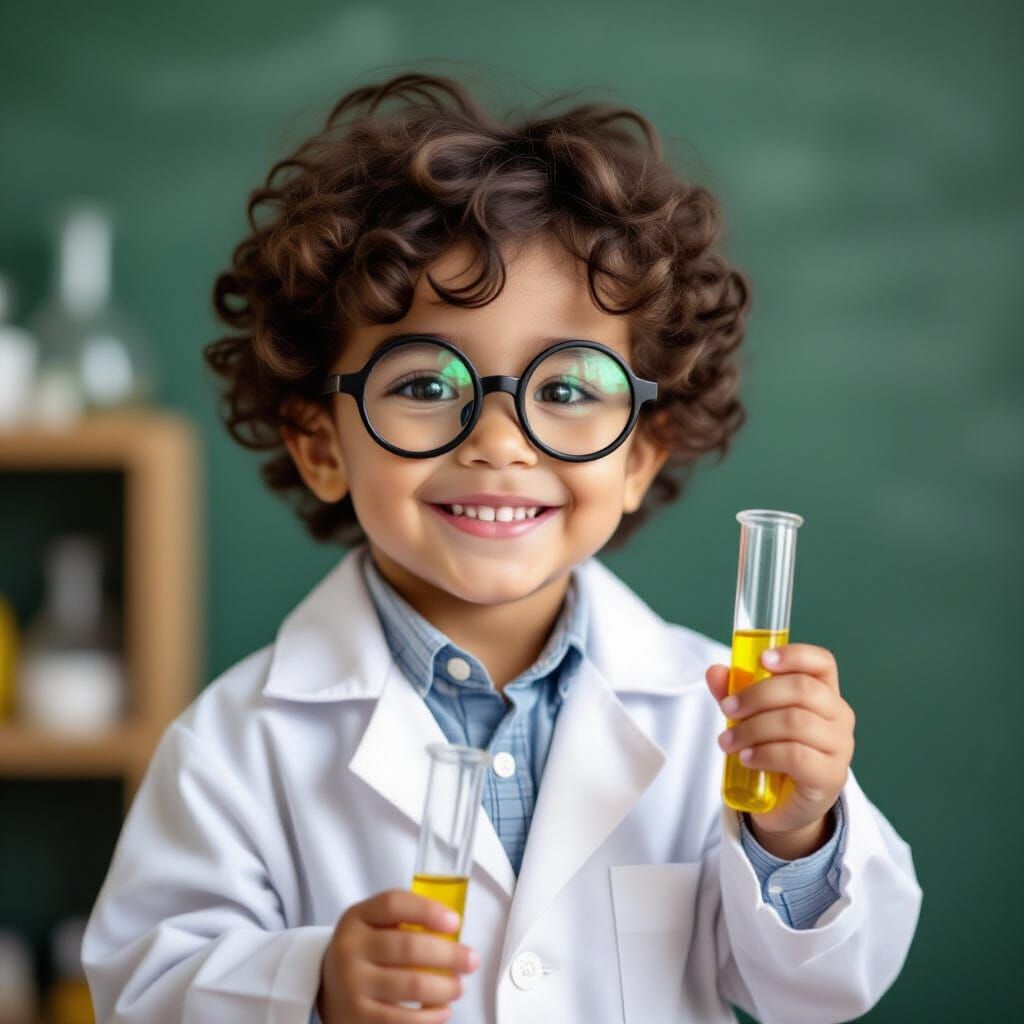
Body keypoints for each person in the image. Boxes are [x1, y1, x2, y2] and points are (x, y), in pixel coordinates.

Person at [82, 72, 922, 1024]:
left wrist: (797, 831)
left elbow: (823, 988)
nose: (500, 439)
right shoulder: (232, 747)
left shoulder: (709, 727)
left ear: (640, 454)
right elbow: (145, 991)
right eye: (427, 384)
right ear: (321, 443)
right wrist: (311, 986)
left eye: (567, 389)